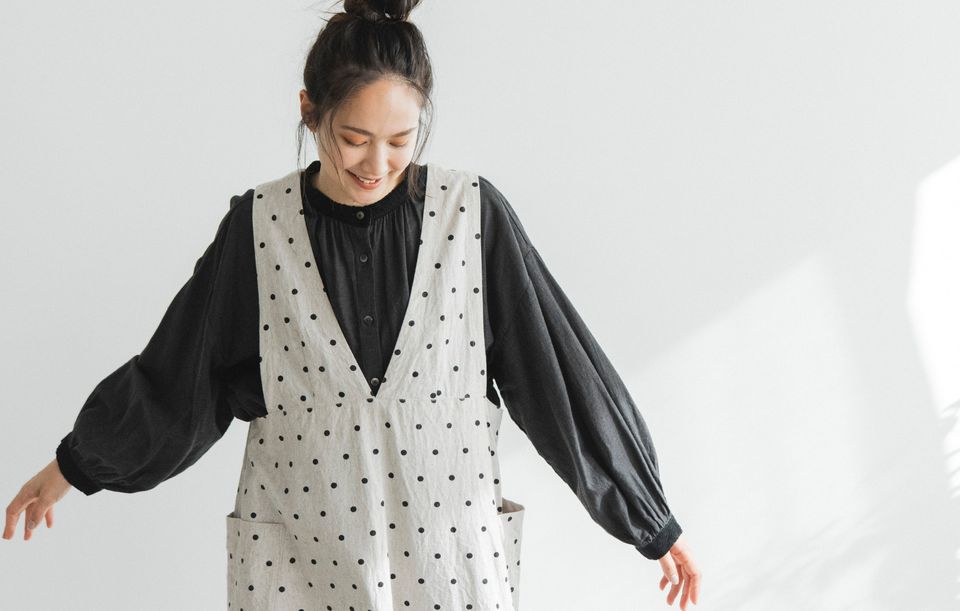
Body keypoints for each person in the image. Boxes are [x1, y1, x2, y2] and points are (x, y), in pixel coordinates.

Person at [3, 0, 701, 608]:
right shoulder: (257, 230)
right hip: (299, 567)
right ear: (309, 111)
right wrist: (77, 465)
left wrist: (649, 520)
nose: (377, 163)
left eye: (401, 141)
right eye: (354, 139)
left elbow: (560, 377)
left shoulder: (473, 219)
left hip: (450, 566)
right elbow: (178, 378)